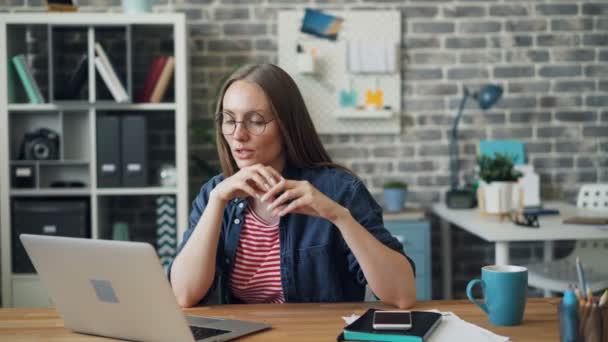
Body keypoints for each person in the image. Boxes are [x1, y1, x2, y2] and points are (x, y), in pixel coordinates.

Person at [169, 63, 416, 308]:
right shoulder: (216, 194)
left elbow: (402, 294)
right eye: (229, 119)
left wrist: (339, 217)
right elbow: (184, 295)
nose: (238, 135)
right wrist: (216, 201)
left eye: (255, 121)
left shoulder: (341, 190)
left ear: (286, 125)